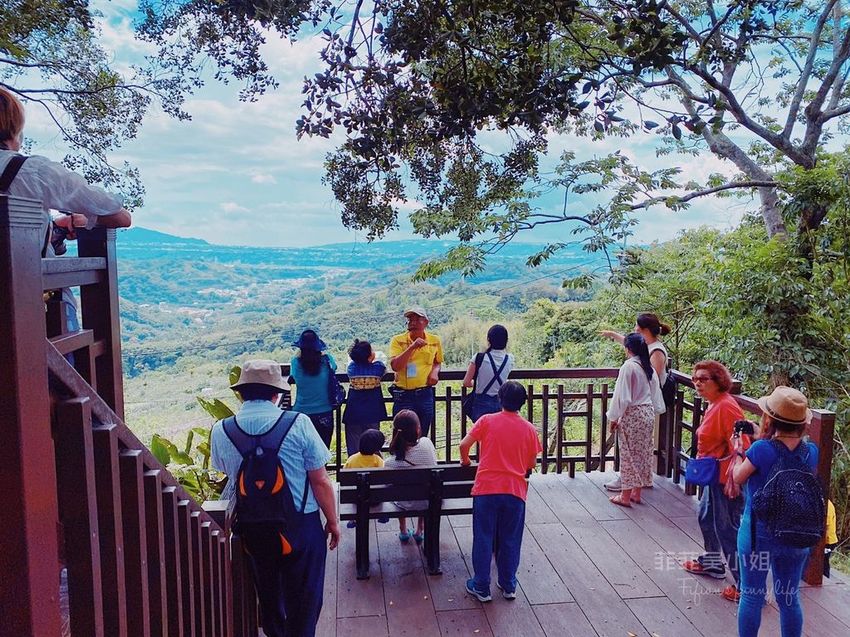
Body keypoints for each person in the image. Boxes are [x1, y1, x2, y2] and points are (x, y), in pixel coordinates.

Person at [210, 360, 340, 637]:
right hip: (301, 526)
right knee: (305, 600)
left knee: (269, 598)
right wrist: (332, 521)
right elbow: (320, 480)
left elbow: (225, 471)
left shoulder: (221, 430)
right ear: (276, 393)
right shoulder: (299, 423)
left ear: (242, 393)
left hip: (254, 529)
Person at [0, 86, 132, 333]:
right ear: (14, 129)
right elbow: (119, 216)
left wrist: (51, 227)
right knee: (59, 359)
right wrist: (86, 219)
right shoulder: (31, 172)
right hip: (25, 312)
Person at [732, 386, 819, 637]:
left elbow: (739, 477)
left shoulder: (760, 450)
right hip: (796, 534)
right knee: (789, 596)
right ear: (802, 424)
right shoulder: (811, 452)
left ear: (769, 419)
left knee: (751, 594)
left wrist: (739, 450)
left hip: (759, 535)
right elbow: (785, 454)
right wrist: (761, 436)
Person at [459, 381, 542, 603]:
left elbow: (463, 445)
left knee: (484, 536)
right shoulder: (529, 429)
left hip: (486, 488)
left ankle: (481, 586)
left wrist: (466, 461)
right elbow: (531, 463)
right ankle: (508, 585)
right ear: (522, 404)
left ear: (499, 399)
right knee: (510, 538)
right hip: (515, 491)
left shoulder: (486, 421)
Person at [682, 360, 750, 603]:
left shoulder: (727, 408)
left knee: (726, 528)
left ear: (718, 381)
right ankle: (713, 564)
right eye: (695, 379)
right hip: (713, 476)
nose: (697, 383)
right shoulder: (715, 404)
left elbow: (741, 445)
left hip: (726, 480)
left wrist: (736, 478)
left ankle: (745, 586)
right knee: (705, 517)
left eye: (703, 379)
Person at [600, 312, 671, 492]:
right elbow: (631, 343)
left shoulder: (652, 353)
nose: (634, 329)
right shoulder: (647, 349)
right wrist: (613, 335)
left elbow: (640, 384)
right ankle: (640, 482)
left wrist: (614, 416)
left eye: (636, 327)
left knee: (631, 450)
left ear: (644, 329)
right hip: (647, 409)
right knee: (643, 448)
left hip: (637, 407)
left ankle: (627, 484)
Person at [606, 333, 665, 508]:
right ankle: (636, 493)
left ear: (628, 349)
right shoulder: (648, 367)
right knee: (642, 453)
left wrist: (614, 417)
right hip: (647, 413)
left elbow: (622, 397)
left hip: (633, 414)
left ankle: (624, 496)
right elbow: (655, 395)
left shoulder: (629, 367)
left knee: (628, 455)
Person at [384, 409, 438, 544]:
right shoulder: (427, 444)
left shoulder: (390, 463)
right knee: (424, 487)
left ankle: (403, 529)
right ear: (418, 429)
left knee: (400, 491)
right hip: (428, 499)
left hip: (403, 502)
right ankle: (420, 529)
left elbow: (388, 485)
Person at [389, 306, 443, 438]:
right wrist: (412, 347)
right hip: (403, 396)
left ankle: (419, 458)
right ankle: (401, 458)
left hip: (424, 394)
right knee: (401, 435)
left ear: (426, 322)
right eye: (409, 320)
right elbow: (395, 366)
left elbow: (438, 361)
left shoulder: (434, 341)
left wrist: (435, 372)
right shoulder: (398, 340)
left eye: (417, 319)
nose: (412, 323)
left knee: (422, 434)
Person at [289, 329, 337, 448]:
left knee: (301, 451)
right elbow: (334, 368)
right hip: (324, 412)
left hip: (301, 413)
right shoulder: (327, 360)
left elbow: (292, 377)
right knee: (323, 450)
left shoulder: (295, 363)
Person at [342, 339, 388, 457]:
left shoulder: (351, 369)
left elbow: (354, 364)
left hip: (353, 412)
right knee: (373, 445)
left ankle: (354, 471)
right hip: (372, 412)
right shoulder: (378, 368)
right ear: (369, 356)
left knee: (353, 448)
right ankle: (375, 470)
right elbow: (383, 366)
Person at [462, 324, 514, 422]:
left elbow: (466, 382)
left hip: (481, 404)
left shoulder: (479, 357)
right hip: (500, 403)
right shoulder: (510, 359)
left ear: (488, 340)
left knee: (482, 434)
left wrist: (477, 383)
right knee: (497, 434)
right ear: (506, 340)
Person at [342, 428, 389, 528]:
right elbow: (384, 478)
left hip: (355, 497)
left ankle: (353, 519)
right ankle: (382, 514)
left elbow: (344, 479)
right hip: (374, 499)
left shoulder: (352, 459)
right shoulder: (378, 461)